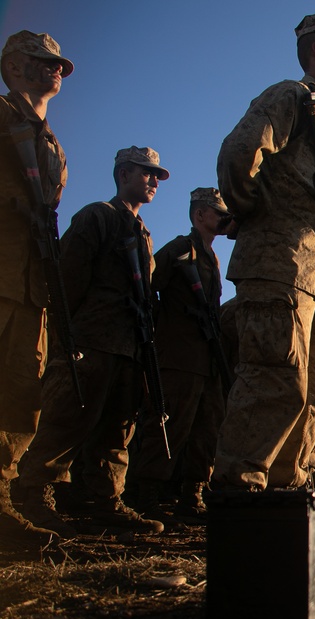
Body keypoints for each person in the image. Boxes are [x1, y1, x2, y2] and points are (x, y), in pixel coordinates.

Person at [212, 13, 315, 490]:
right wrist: (257, 212)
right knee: (274, 380)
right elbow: (240, 153)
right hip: (277, 262)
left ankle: (287, 490)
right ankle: (240, 488)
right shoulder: (292, 97)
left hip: (313, 275)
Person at [18, 146, 171, 538]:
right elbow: (68, 278)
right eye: (146, 173)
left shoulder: (143, 234)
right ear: (123, 174)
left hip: (128, 347)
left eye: (156, 176)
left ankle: (104, 502)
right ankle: (32, 495)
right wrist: (67, 336)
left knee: (117, 431)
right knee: (66, 419)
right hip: (92, 340)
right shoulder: (97, 216)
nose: (153, 181)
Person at [0, 30, 73, 548]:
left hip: (30, 285)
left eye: (58, 64)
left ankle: (2, 500)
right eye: (43, 62)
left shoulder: (51, 145)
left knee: (22, 395)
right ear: (13, 67)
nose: (56, 70)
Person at [127, 188, 231, 523]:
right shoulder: (179, 249)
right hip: (179, 354)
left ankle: (192, 495)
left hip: (205, 357)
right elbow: (148, 288)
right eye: (219, 214)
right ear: (200, 214)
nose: (224, 220)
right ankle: (147, 494)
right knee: (170, 424)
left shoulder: (211, 258)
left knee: (206, 426)